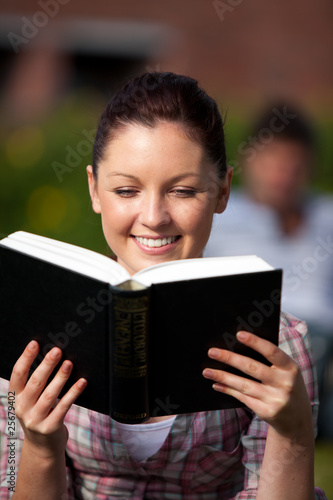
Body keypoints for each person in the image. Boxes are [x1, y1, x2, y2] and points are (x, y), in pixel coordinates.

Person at [0, 73, 327, 499]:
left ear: (223, 191)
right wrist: (41, 447)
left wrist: (295, 433)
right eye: (126, 189)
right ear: (94, 189)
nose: (153, 217)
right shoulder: (30, 334)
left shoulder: (276, 346)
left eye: (183, 190)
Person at [204, 103, 333, 440]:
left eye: (295, 165)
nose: (283, 175)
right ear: (251, 161)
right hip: (258, 341)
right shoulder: (221, 220)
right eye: (274, 161)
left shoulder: (326, 218)